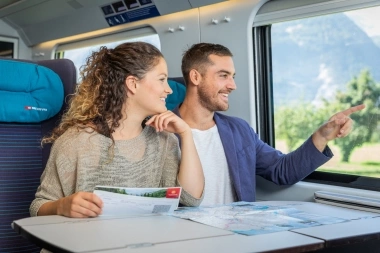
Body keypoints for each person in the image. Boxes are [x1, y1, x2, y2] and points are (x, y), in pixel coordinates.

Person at [175, 42, 365, 206]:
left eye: (233, 76)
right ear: (196, 77)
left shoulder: (239, 131)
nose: (233, 85)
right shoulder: (160, 131)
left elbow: (283, 170)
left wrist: (322, 136)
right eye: (223, 75)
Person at [30, 42, 204, 218]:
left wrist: (186, 134)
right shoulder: (76, 141)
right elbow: (38, 206)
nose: (168, 90)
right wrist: (61, 206)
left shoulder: (164, 139)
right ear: (133, 84)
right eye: (161, 79)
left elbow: (191, 199)